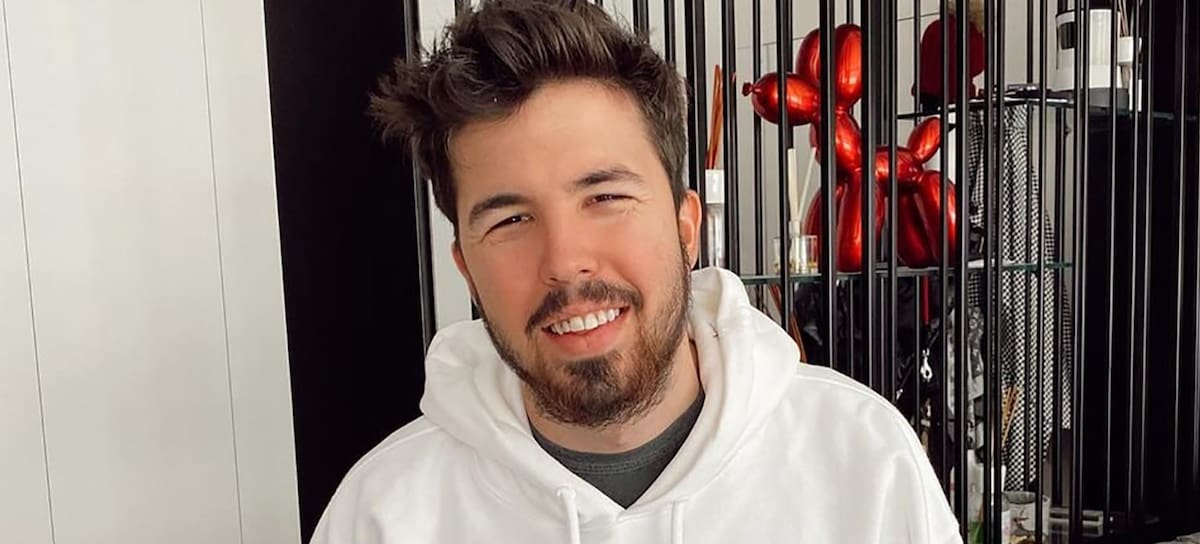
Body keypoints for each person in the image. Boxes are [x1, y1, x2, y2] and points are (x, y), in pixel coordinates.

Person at [311, 1, 960, 542]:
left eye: (605, 197)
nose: (565, 261)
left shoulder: (864, 467)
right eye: (510, 220)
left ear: (686, 227)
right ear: (467, 269)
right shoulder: (384, 514)